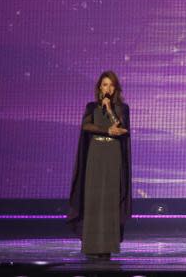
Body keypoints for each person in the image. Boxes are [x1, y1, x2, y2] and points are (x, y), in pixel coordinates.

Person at [67, 70, 132, 259]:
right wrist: (107, 130)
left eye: (111, 85)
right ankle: (92, 245)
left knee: (109, 200)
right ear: (99, 88)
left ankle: (107, 246)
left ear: (115, 88)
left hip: (112, 155)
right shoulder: (91, 107)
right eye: (105, 85)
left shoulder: (122, 108)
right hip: (95, 154)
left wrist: (110, 109)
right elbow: (86, 126)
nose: (108, 89)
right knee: (94, 199)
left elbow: (121, 128)